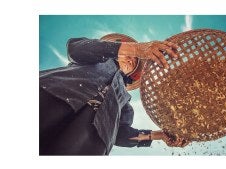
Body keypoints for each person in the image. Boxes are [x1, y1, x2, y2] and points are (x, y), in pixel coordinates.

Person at [39, 33, 189, 155]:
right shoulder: (90, 59)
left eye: (135, 61)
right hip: (47, 97)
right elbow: (74, 48)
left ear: (133, 74)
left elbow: (121, 135)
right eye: (129, 54)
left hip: (88, 142)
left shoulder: (125, 103)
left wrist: (159, 135)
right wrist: (136, 49)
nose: (131, 58)